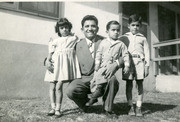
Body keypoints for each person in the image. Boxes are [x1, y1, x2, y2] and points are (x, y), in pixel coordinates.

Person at [66, 15, 122, 118]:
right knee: (70, 90)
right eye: (87, 26)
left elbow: (124, 54)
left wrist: (116, 64)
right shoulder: (77, 44)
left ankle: (107, 109)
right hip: (84, 78)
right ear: (82, 29)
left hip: (102, 77)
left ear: (98, 28)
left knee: (113, 79)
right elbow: (62, 52)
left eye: (93, 26)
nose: (90, 29)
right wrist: (47, 60)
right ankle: (84, 104)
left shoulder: (107, 41)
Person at [85, 20, 130, 106]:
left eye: (118, 30)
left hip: (111, 66)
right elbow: (98, 53)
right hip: (102, 66)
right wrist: (97, 64)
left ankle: (98, 96)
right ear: (107, 31)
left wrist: (127, 66)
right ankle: (95, 95)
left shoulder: (121, 44)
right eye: (113, 30)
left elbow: (125, 55)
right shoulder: (103, 42)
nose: (116, 32)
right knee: (96, 77)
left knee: (109, 79)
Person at [44, 18, 81, 117]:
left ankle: (58, 109)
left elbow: (79, 41)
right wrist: (48, 61)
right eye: (62, 28)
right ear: (58, 30)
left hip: (64, 67)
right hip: (55, 64)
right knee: (52, 86)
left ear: (69, 29)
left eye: (67, 27)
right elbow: (50, 53)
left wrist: (73, 35)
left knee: (59, 86)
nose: (64, 29)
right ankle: (52, 107)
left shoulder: (73, 39)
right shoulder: (55, 41)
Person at [120, 14, 150, 117]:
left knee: (140, 84)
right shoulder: (124, 37)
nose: (135, 27)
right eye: (133, 25)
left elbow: (147, 52)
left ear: (140, 26)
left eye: (137, 25)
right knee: (129, 85)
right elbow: (118, 47)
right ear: (128, 25)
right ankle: (130, 106)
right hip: (128, 63)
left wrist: (147, 66)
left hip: (139, 63)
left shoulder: (143, 38)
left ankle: (139, 107)